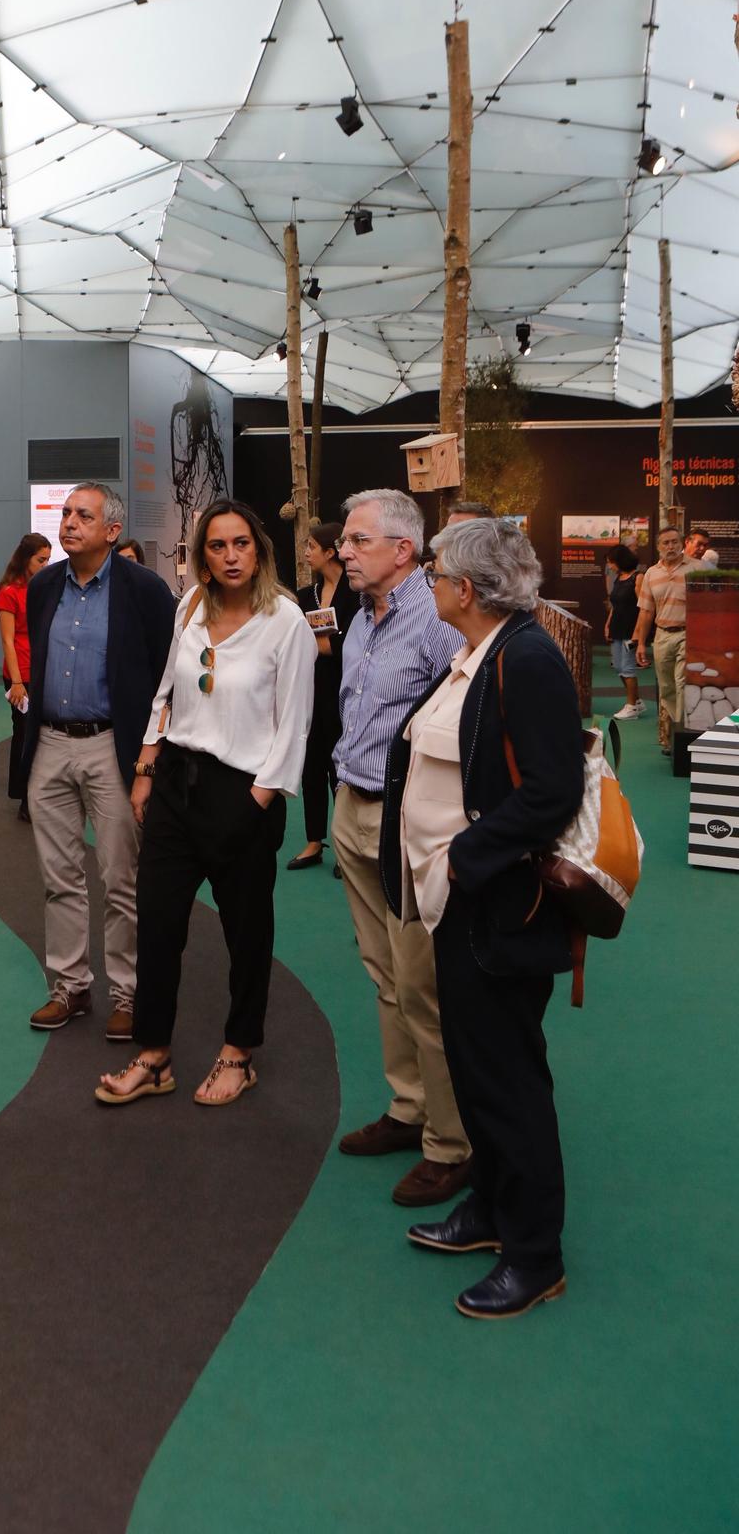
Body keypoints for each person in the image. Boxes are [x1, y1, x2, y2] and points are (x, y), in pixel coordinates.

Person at [385, 518, 584, 1319]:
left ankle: (536, 1255)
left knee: (508, 1083)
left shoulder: (526, 658)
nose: (429, 584)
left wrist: (465, 858)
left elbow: (550, 791)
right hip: (464, 910)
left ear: (466, 590)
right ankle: (492, 1216)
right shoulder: (486, 650)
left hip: (498, 908)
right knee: (475, 1070)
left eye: (436, 574)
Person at [95, 501, 315, 1107]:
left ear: (259, 550)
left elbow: (294, 726)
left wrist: (255, 802)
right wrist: (145, 768)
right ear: (203, 557)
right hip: (174, 785)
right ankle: (154, 1053)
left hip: (245, 791)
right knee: (159, 925)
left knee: (247, 933)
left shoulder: (286, 621)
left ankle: (239, 1052)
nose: (230, 556)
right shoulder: (190, 607)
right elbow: (165, 692)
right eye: (217, 547)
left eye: (241, 544)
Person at [331, 488, 471, 1210]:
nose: (343, 551)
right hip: (352, 808)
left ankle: (451, 1144)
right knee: (384, 973)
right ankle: (409, 1108)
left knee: (423, 985)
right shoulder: (362, 613)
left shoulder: (441, 620)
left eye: (357, 541)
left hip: (410, 824)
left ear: (403, 550)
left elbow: (471, 720)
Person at [21, 483, 176, 1039]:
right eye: (65, 514)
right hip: (50, 746)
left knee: (119, 879)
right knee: (58, 877)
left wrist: (149, 761)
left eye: (82, 516)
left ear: (111, 531)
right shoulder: (43, 587)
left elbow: (169, 675)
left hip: (114, 748)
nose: (68, 524)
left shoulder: (146, 590)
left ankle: (128, 996)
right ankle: (70, 988)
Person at [291, 519, 358, 869]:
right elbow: (299, 644)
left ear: (330, 552)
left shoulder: (356, 594)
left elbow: (352, 645)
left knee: (341, 771)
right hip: (311, 691)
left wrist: (322, 644)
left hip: (347, 693)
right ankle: (314, 841)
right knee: (311, 768)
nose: (305, 554)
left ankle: (345, 845)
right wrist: (329, 644)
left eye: (311, 548)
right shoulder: (305, 596)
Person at [0, 531, 51, 820]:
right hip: (19, 676)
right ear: (26, 559)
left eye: (48, 560)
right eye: (41, 560)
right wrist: (16, 682)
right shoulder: (9, 593)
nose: (45, 565)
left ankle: (39, 796)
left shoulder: (42, 588)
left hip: (42, 673)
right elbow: (7, 641)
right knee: (24, 735)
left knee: (44, 737)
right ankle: (25, 800)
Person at [633, 526, 688, 752]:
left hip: (689, 634)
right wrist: (642, 643)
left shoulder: (697, 568)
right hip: (662, 636)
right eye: (665, 543)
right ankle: (675, 735)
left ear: (682, 543)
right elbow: (646, 612)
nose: (670, 546)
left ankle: (683, 737)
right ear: (658, 547)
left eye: (674, 542)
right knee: (666, 688)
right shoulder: (651, 574)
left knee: (683, 684)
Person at [604, 545, 643, 720]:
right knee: (619, 666)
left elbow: (644, 607)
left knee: (627, 667)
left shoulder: (638, 577)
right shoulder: (619, 578)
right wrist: (608, 623)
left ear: (620, 561)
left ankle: (632, 707)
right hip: (617, 628)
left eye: (611, 563)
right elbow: (615, 605)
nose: (610, 566)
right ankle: (637, 701)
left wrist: (638, 632)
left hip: (630, 630)